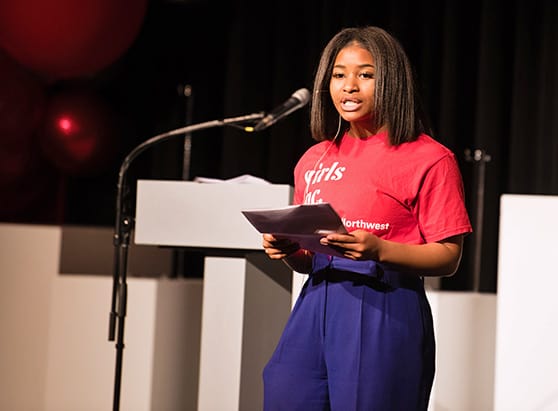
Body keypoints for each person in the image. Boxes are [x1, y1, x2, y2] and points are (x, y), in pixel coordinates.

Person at [260, 25, 472, 411]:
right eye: (339, 75)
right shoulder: (315, 158)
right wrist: (290, 248)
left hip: (383, 305)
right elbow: (308, 261)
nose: (349, 86)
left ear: (391, 80)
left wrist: (379, 250)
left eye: (366, 74)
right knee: (284, 391)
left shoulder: (429, 157)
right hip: (316, 303)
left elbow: (448, 256)